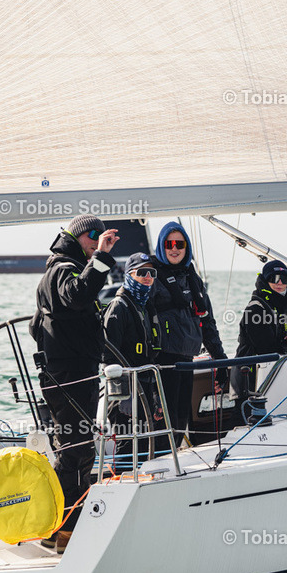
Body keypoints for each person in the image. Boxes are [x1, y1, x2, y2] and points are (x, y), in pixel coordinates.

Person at [31, 214, 119, 550]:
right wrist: (101, 259)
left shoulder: (70, 266)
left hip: (75, 371)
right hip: (65, 375)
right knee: (73, 450)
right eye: (93, 235)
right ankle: (57, 529)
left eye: (101, 235)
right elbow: (77, 295)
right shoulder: (61, 269)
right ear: (79, 236)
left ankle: (69, 527)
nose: (97, 240)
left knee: (81, 451)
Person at [150, 221, 227, 437]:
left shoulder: (193, 279)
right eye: (169, 243)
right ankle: (160, 465)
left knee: (181, 421)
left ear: (187, 247)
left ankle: (173, 465)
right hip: (162, 362)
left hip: (186, 359)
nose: (174, 248)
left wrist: (220, 360)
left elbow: (207, 323)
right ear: (161, 246)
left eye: (180, 244)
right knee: (165, 422)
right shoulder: (152, 277)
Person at [102, 252, 162, 435]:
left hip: (145, 387)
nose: (148, 278)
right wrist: (122, 395)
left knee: (144, 445)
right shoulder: (119, 307)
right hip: (125, 392)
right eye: (142, 272)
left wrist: (155, 395)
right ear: (129, 275)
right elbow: (108, 355)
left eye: (152, 274)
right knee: (127, 446)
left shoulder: (144, 307)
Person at [232, 260, 287, 399]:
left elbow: (285, 333)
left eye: (283, 279)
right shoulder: (256, 308)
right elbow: (265, 347)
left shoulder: (281, 306)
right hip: (250, 374)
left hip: (271, 371)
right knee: (246, 415)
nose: (279, 283)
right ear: (265, 280)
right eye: (274, 278)